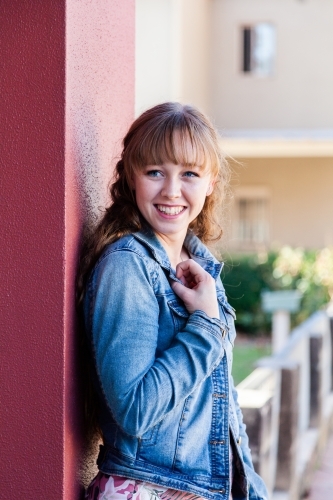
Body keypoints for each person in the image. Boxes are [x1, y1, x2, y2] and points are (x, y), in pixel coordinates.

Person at [78, 102, 268, 500]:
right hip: (147, 488)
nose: (171, 191)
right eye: (155, 172)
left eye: (189, 174)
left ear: (211, 182)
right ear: (132, 177)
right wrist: (205, 328)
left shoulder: (199, 267)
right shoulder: (127, 267)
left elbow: (223, 402)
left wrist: (252, 489)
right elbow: (134, 411)